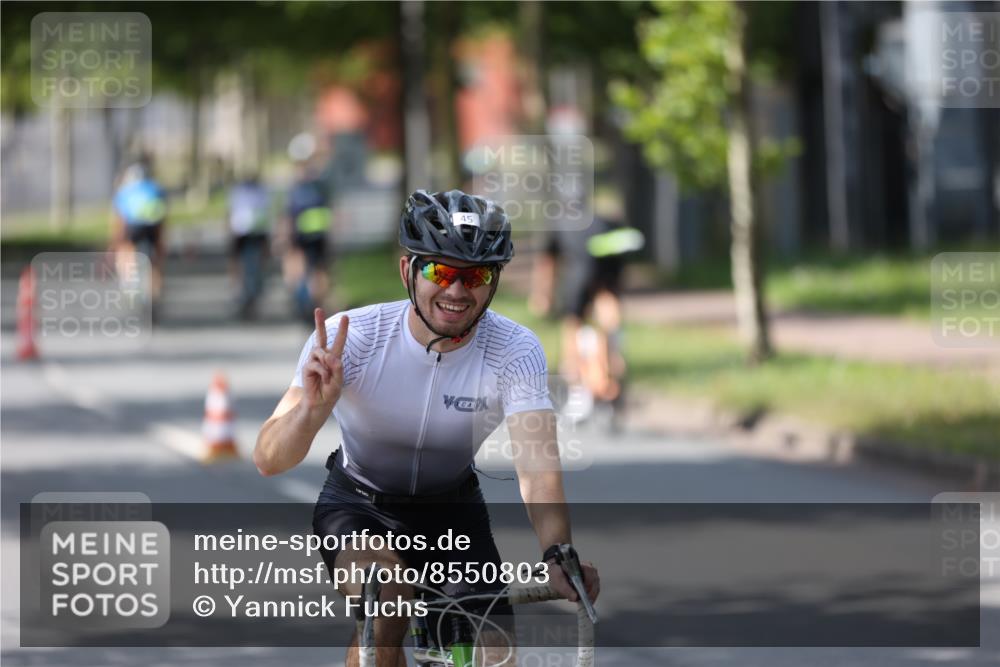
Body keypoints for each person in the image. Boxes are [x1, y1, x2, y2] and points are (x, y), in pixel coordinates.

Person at [254, 190, 600, 666]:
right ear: (407, 272)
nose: (457, 291)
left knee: (492, 654)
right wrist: (312, 410)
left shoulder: (515, 350)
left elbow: (538, 468)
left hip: (453, 515)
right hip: (360, 508)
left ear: (494, 281)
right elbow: (269, 459)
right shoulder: (350, 337)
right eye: (440, 271)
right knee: (387, 604)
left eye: (475, 275)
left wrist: (558, 551)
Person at [558, 216, 644, 426]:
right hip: (601, 267)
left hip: (583, 275)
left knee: (580, 332)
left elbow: (548, 262)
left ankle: (589, 390)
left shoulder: (560, 225)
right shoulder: (605, 223)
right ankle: (600, 383)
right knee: (606, 327)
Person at [111, 159, 168, 311]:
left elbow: (120, 222)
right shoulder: (156, 188)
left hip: (134, 227)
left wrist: (116, 242)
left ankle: (127, 279)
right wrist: (161, 242)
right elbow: (163, 215)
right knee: (155, 259)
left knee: (125, 248)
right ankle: (157, 286)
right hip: (152, 226)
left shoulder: (124, 192)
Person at [282, 158, 333, 321]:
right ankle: (316, 302)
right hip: (319, 233)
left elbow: (289, 214)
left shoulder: (296, 189)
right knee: (318, 270)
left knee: (301, 268)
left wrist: (286, 236)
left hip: (302, 234)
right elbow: (329, 209)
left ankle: (303, 299)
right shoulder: (321, 187)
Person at [226, 173, 272, 319]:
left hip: (241, 232)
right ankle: (248, 292)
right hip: (256, 233)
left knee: (238, 263)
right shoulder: (261, 191)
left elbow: (230, 213)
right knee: (255, 263)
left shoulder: (237, 191)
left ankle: (238, 291)